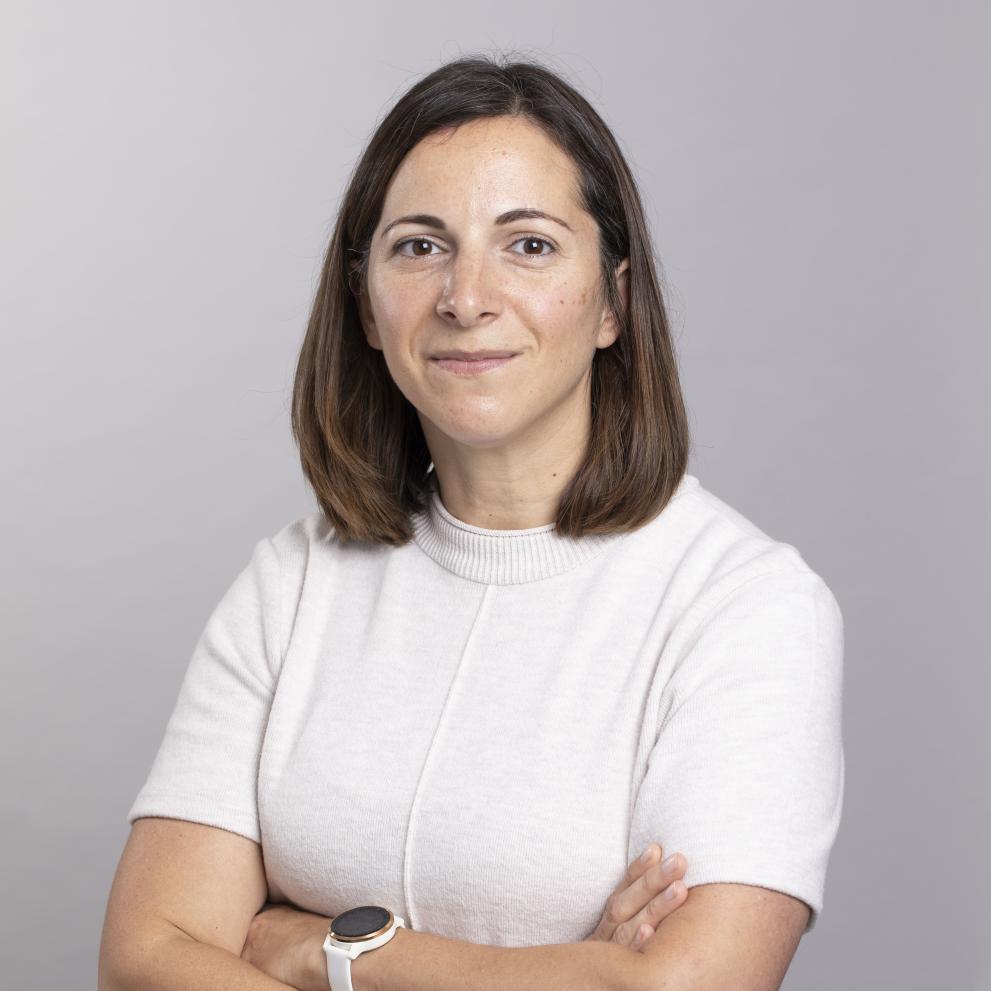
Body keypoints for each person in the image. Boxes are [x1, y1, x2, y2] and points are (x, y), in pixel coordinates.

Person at [99, 54, 844, 991]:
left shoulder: (747, 607)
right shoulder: (292, 581)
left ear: (612, 301)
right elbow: (144, 958)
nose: (465, 297)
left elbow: (681, 989)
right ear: (366, 305)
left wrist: (331, 949)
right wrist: (560, 971)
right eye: (419, 245)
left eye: (527, 244)